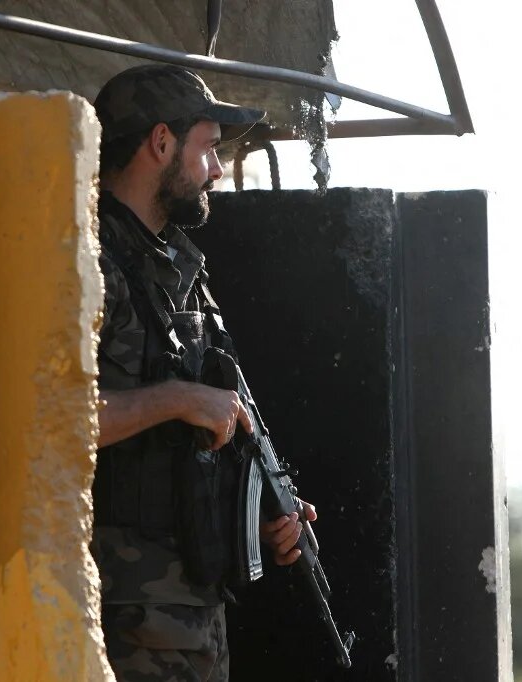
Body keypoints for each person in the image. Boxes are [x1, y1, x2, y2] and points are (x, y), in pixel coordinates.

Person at [91, 64, 316, 681]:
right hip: (124, 610)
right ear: (161, 144)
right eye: (208, 149)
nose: (216, 170)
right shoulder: (87, 261)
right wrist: (176, 399)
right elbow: (50, 421)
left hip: (190, 607)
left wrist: (269, 504)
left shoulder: (179, 268)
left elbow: (214, 419)